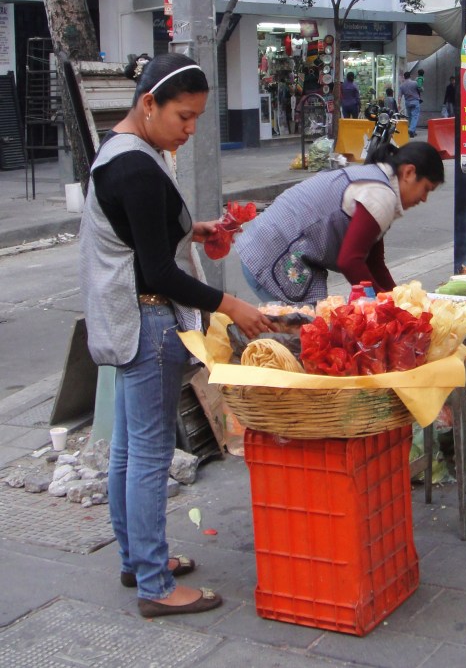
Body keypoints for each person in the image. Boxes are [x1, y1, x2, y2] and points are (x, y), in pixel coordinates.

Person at [79, 53, 272, 619]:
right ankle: (156, 584)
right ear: (149, 105)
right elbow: (159, 272)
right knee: (148, 455)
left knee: (128, 450)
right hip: (148, 322)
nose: (190, 130)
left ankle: (136, 560)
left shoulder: (121, 153)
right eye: (184, 117)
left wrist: (195, 227)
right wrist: (231, 304)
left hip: (124, 320)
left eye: (197, 119)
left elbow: (141, 234)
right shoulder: (138, 168)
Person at [236, 141, 444, 305]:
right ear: (408, 173)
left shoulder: (379, 183)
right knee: (305, 341)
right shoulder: (381, 195)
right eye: (426, 188)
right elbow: (350, 261)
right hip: (270, 256)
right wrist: (385, 304)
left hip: (265, 247)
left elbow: (373, 261)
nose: (424, 199)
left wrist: (398, 300)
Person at [398, 71, 421, 137]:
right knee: (415, 116)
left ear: (404, 77)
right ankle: (411, 130)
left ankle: (413, 131)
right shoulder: (415, 83)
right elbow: (419, 89)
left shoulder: (402, 85)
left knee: (410, 117)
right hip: (415, 101)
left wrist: (399, 104)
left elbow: (399, 96)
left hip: (407, 102)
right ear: (410, 76)